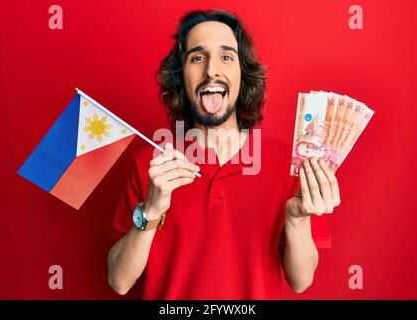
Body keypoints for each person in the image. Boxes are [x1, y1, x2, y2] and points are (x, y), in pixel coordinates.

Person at [107, 9, 341, 299]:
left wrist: (296, 219)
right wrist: (151, 212)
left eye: (226, 57)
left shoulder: (288, 163)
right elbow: (119, 281)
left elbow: (301, 281)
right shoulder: (150, 166)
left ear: (243, 76)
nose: (211, 71)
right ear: (181, 77)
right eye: (197, 57)